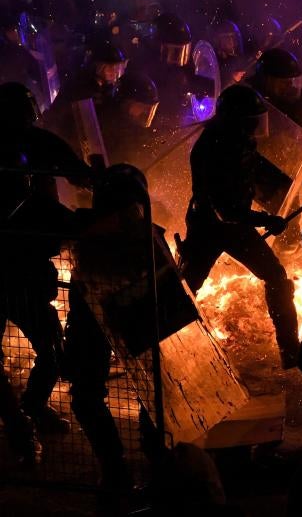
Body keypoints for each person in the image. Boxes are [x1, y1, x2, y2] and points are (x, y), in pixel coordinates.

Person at [178, 84, 299, 368]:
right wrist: (267, 220)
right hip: (209, 228)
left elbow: (254, 168)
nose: (256, 125)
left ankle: (291, 355)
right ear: (236, 119)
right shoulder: (213, 148)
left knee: (277, 279)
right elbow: (225, 209)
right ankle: (163, 356)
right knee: (183, 294)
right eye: (251, 119)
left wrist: (285, 183)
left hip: (235, 226)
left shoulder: (239, 140)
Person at [0, 82, 92, 434]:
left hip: (25, 273)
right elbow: (75, 182)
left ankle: (27, 411)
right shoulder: (28, 182)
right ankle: (28, 412)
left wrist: (94, 179)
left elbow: (77, 172)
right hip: (19, 275)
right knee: (52, 351)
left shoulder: (38, 143)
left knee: (51, 350)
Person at [63, 164, 151, 490]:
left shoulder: (90, 235)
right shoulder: (90, 235)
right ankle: (116, 465)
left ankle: (136, 459)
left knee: (150, 390)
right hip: (98, 322)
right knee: (88, 395)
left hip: (127, 319)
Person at [104, 70, 160, 167]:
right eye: (142, 106)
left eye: (150, 108)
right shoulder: (105, 129)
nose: (146, 112)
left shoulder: (142, 134)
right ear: (124, 103)